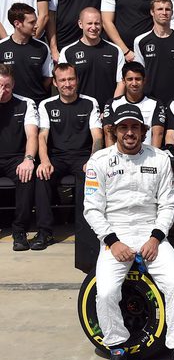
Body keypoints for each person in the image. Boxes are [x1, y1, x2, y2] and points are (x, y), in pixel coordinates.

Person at [84, 103, 174, 360]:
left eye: (135, 127)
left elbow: (169, 204)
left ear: (144, 131)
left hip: (151, 233)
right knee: (107, 291)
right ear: (115, 131)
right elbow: (92, 209)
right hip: (115, 234)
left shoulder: (159, 159)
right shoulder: (99, 161)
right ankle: (118, 350)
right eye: (124, 127)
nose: (130, 133)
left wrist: (156, 237)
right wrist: (112, 241)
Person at [34, 63, 103, 250]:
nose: (67, 84)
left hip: (83, 156)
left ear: (77, 80)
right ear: (55, 83)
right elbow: (42, 135)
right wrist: (45, 161)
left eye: (71, 79)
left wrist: (93, 160)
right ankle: (44, 232)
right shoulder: (46, 105)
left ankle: (87, 233)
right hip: (57, 157)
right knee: (41, 177)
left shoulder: (90, 102)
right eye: (62, 80)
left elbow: (97, 135)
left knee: (89, 179)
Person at [0, 64, 38, 251]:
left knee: (26, 175)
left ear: (13, 84)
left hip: (15, 157)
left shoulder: (26, 103)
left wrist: (29, 159)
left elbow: (32, 135)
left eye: (7, 86)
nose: (3, 91)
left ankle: (20, 231)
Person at [58, 7, 124, 109]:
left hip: (107, 112)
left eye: (97, 23)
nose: (93, 27)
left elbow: (121, 83)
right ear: (80, 24)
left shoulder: (115, 51)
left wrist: (110, 109)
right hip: (78, 111)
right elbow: (64, 84)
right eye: (89, 23)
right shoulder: (67, 52)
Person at [132, 0, 174, 105]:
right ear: (152, 12)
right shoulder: (140, 41)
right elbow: (139, 74)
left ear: (172, 13)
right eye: (160, 9)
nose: (164, 12)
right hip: (149, 100)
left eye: (167, 9)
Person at [0, 3, 53, 104]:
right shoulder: (2, 47)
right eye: (32, 22)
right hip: (9, 105)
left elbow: (48, 78)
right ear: (17, 24)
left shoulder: (42, 47)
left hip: (36, 104)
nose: (36, 26)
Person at [103, 62, 164, 148]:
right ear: (123, 81)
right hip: (120, 156)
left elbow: (158, 133)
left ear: (144, 80)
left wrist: (154, 159)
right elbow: (108, 133)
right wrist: (112, 158)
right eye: (130, 79)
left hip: (146, 156)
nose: (134, 83)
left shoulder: (156, 104)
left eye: (138, 79)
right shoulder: (112, 103)